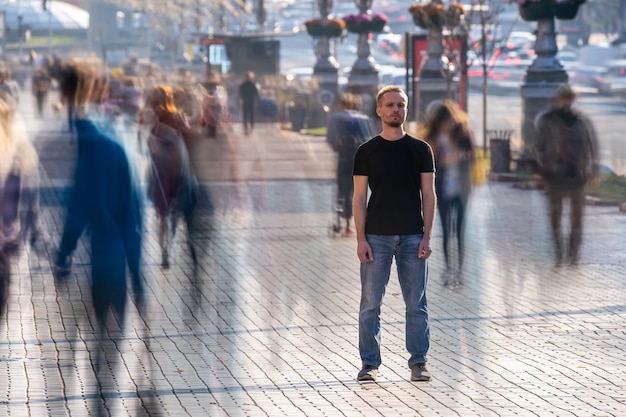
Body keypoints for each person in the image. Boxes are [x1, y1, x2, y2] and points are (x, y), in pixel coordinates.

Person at [352, 86, 437, 382]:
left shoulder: (420, 150)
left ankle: (418, 363)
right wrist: (360, 238)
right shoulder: (366, 152)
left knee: (416, 304)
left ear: (406, 110)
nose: (395, 110)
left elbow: (429, 194)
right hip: (376, 237)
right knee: (370, 304)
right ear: (379, 110)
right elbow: (359, 198)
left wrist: (427, 235)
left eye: (400, 105)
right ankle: (369, 364)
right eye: (390, 105)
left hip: (413, 236)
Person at [534, 84, 599, 266]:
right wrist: (593, 170)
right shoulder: (580, 121)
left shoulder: (550, 119)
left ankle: (566, 253)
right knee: (570, 218)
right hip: (570, 175)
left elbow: (539, 148)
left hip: (564, 175)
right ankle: (567, 253)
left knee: (563, 217)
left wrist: (539, 170)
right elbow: (592, 146)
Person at [419, 100, 477, 279]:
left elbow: (473, 158)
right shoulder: (432, 141)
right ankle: (448, 267)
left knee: (459, 229)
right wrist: (442, 162)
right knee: (445, 230)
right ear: (438, 123)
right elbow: (427, 166)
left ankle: (459, 268)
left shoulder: (463, 135)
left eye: (450, 122)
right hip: (442, 190)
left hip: (461, 189)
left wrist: (459, 156)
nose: (448, 126)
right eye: (444, 123)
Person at [326, 92, 373, 235]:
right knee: (355, 191)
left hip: (342, 157)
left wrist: (338, 149)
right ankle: (351, 222)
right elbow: (368, 137)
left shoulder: (335, 119)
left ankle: (340, 220)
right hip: (357, 159)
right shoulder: (362, 119)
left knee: (342, 188)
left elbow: (330, 138)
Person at [238, 71, 259, 135]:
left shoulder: (243, 85)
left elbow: (240, 94)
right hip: (249, 102)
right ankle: (248, 126)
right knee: (248, 115)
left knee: (247, 115)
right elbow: (256, 94)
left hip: (248, 102)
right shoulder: (252, 85)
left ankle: (247, 126)